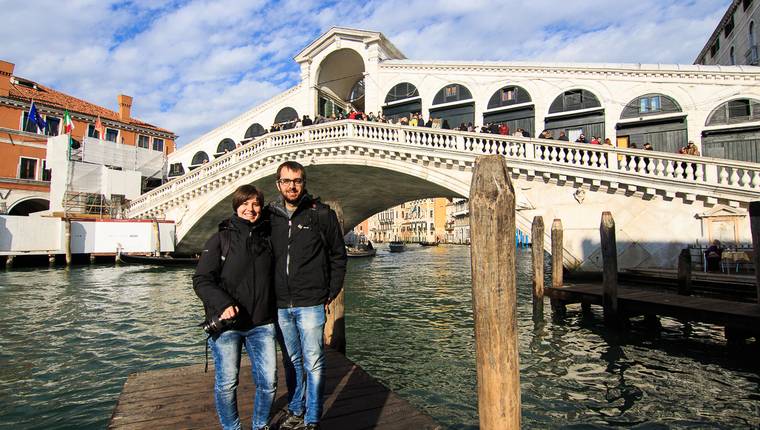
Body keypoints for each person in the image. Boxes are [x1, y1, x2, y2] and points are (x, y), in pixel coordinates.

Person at [269, 161, 347, 430]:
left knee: (313, 361)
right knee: (291, 361)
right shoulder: (270, 217)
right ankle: (295, 408)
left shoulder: (321, 215)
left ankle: (312, 417)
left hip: (312, 302)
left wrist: (330, 292)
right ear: (278, 184)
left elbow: (338, 256)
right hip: (280, 304)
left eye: (297, 181)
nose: (292, 186)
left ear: (304, 183)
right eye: (287, 181)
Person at [193, 185, 276, 430]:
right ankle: (232, 428)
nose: (250, 209)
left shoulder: (268, 239)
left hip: (261, 323)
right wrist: (224, 304)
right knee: (227, 383)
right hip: (228, 325)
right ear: (236, 206)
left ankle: (260, 425)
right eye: (245, 204)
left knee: (269, 382)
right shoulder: (221, 239)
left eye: (255, 204)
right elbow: (201, 280)